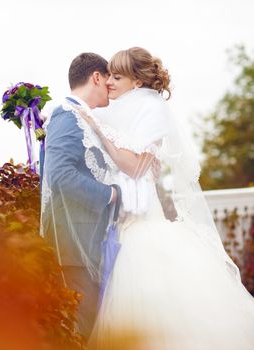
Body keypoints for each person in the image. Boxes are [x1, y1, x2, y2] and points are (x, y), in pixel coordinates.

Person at [74, 47, 254, 349]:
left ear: (138, 82)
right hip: (118, 221)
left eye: (117, 77)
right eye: (108, 76)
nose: (109, 82)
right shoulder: (116, 109)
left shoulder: (152, 109)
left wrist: (99, 130)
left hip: (143, 225)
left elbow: (134, 166)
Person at [40, 52, 119, 340]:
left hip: (89, 242)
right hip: (74, 246)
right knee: (85, 332)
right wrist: (109, 195)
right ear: (96, 77)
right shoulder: (66, 114)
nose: (111, 84)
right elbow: (59, 175)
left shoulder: (80, 116)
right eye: (109, 76)